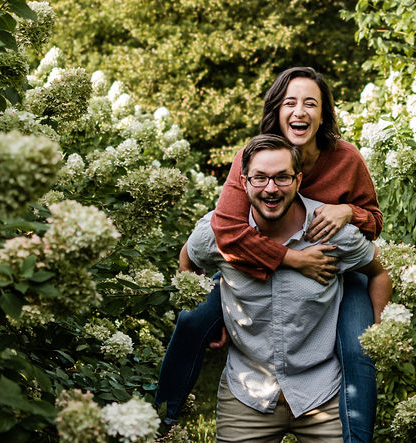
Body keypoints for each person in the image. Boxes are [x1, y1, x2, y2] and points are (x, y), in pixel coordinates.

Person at [155, 67, 383, 442]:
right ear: (276, 110)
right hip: (254, 254)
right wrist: (293, 260)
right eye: (290, 102)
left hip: (336, 261)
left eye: (312, 103)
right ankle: (164, 418)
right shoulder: (254, 157)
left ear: (324, 113)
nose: (300, 111)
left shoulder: (345, 159)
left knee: (359, 351)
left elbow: (374, 221)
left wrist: (347, 212)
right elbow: (225, 231)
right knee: (194, 320)